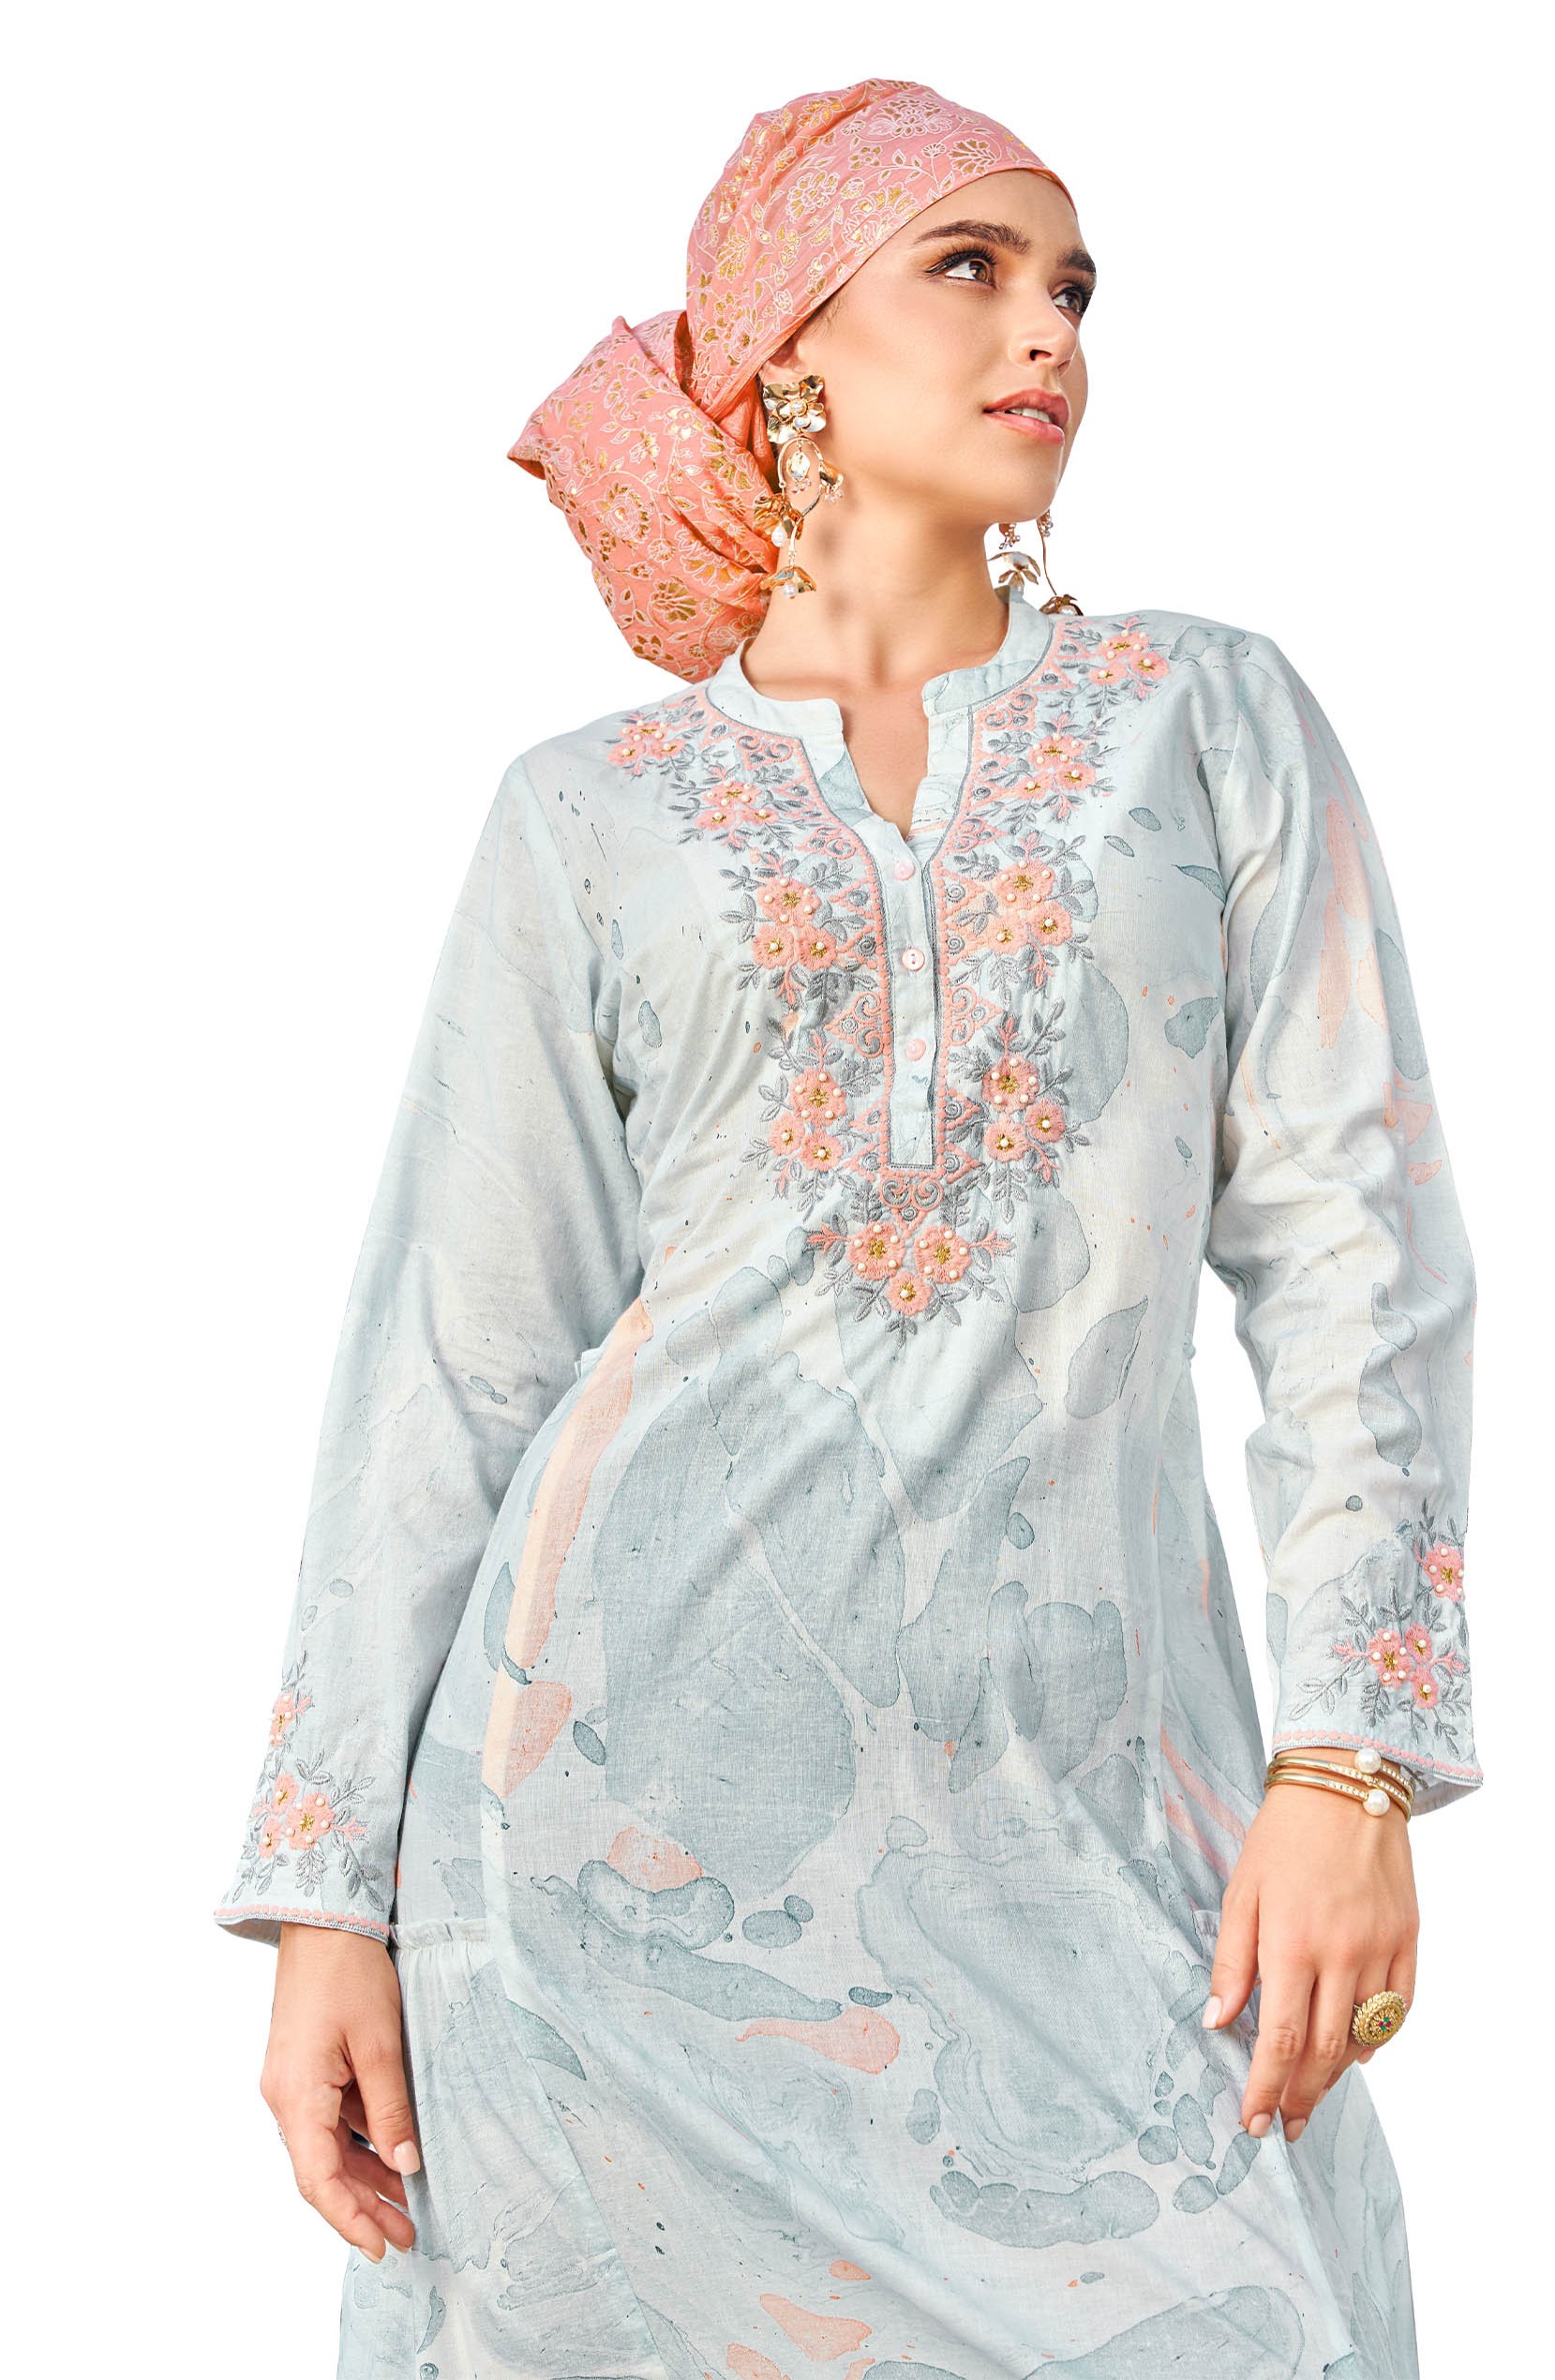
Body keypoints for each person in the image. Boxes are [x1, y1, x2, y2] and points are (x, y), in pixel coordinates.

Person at [215, 77, 1481, 2380]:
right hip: (611, 1869)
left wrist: (1346, 1758)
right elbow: (454, 1362)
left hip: (1102, 1824)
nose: (1048, 332)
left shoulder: (1201, 720)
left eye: (1072, 284)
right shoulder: (590, 817)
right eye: (967, 270)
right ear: (783, 342)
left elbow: (1355, 1254)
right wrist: (331, 1905)